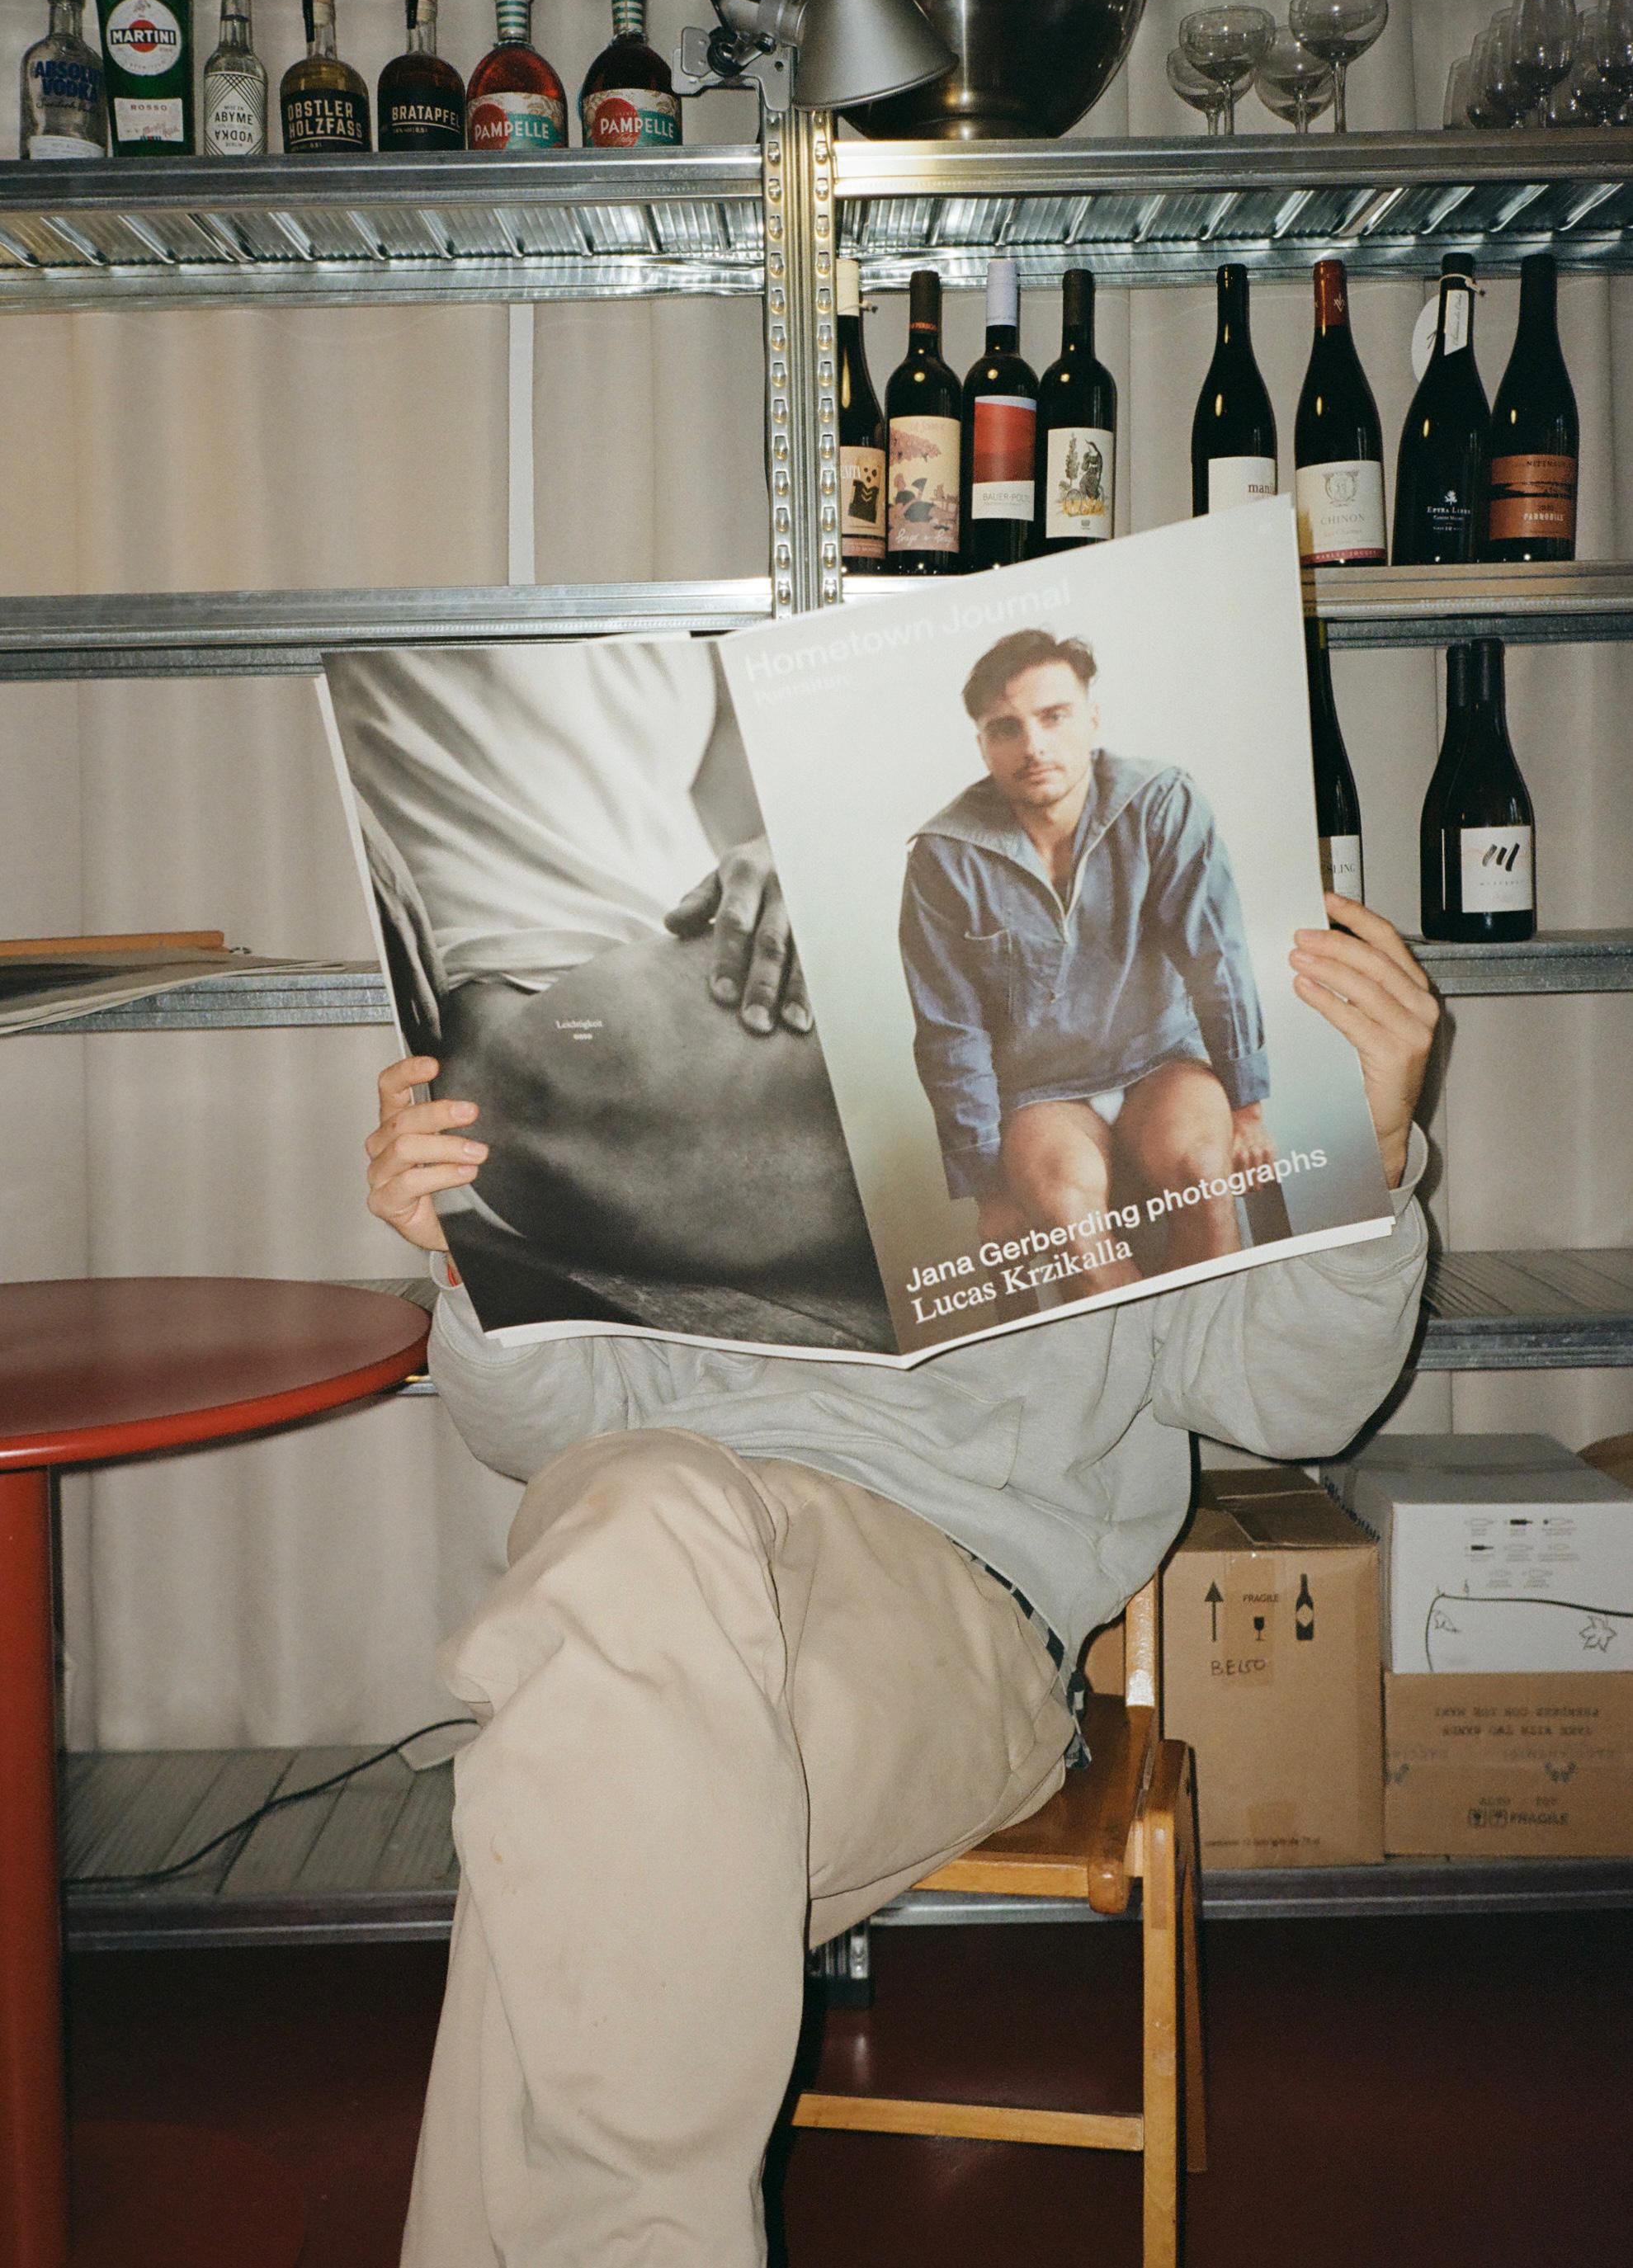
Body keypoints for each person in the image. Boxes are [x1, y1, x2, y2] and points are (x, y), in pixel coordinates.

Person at [366, 885, 1438, 2268]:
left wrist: (1371, 1150)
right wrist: (476, 1262)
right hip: (661, 1568)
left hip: (953, 1609)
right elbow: (539, 1438)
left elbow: (1299, 1402)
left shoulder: (1105, 1110)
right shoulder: (668, 1083)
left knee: (583, 1796)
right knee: (631, 1554)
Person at [326, 639, 892, 1351]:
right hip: (540, 1018)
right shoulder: (414, 579)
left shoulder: (688, 630)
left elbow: (735, 816)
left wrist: (798, 852)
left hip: (664, 974)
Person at [900, 628, 1275, 1294]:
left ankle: (1206, 1374)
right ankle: (1132, 1383)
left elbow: (1214, 954)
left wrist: (1245, 1105)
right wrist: (989, 1187)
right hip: (1040, 1093)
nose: (1033, 745)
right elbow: (949, 1031)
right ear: (982, 744)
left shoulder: (1161, 800)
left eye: (1053, 716)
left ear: (1091, 719)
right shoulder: (943, 856)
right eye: (1005, 727)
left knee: (1204, 1177)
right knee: (1070, 1220)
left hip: (1159, 1057)